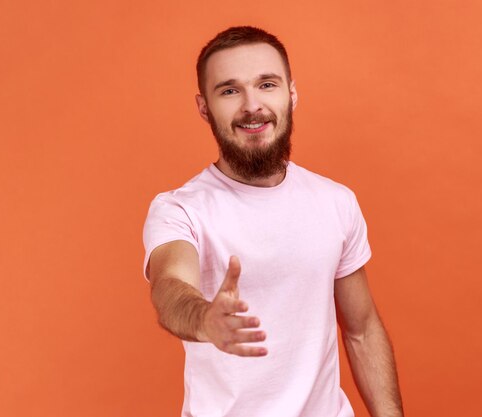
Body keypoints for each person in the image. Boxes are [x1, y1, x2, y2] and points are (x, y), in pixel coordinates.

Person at [142, 26, 404, 417]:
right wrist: (203, 319)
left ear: (291, 94)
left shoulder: (336, 202)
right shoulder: (180, 210)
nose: (252, 105)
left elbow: (362, 329)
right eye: (229, 90)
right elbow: (170, 288)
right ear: (203, 107)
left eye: (266, 84)